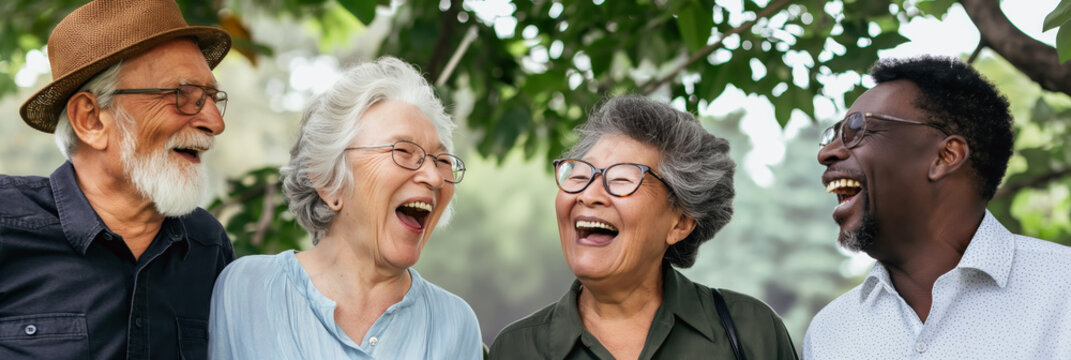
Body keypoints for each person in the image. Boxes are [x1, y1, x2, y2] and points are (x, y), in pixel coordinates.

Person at [0, 0, 235, 359]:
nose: (215, 123)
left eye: (211, 98)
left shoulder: (208, 245)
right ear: (91, 119)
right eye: (181, 96)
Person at [208, 57, 482, 359]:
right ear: (329, 182)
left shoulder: (455, 324)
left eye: (442, 161)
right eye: (403, 151)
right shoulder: (245, 289)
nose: (433, 177)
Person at [489, 95, 797, 359]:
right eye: (580, 175)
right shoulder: (516, 349)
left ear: (680, 223)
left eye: (621, 179)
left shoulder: (750, 332)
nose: (588, 195)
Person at [805, 56, 1071, 358]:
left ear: (945, 156)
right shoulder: (828, 333)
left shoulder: (1065, 293)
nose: (826, 153)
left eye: (857, 129)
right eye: (833, 135)